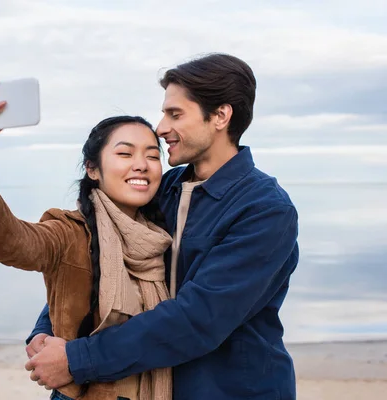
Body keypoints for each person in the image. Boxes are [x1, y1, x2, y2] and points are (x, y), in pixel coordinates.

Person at [25, 53, 300, 400]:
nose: (160, 128)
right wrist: (46, 330)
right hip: (157, 386)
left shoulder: (265, 210)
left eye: (175, 113)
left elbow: (198, 319)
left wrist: (77, 359)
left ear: (220, 116)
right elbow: (101, 257)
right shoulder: (164, 188)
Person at [0, 77, 177, 400]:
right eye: (124, 153)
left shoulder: (164, 236)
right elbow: (12, 241)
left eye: (152, 155)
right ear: (93, 169)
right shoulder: (69, 233)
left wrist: (43, 327)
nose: (141, 165)